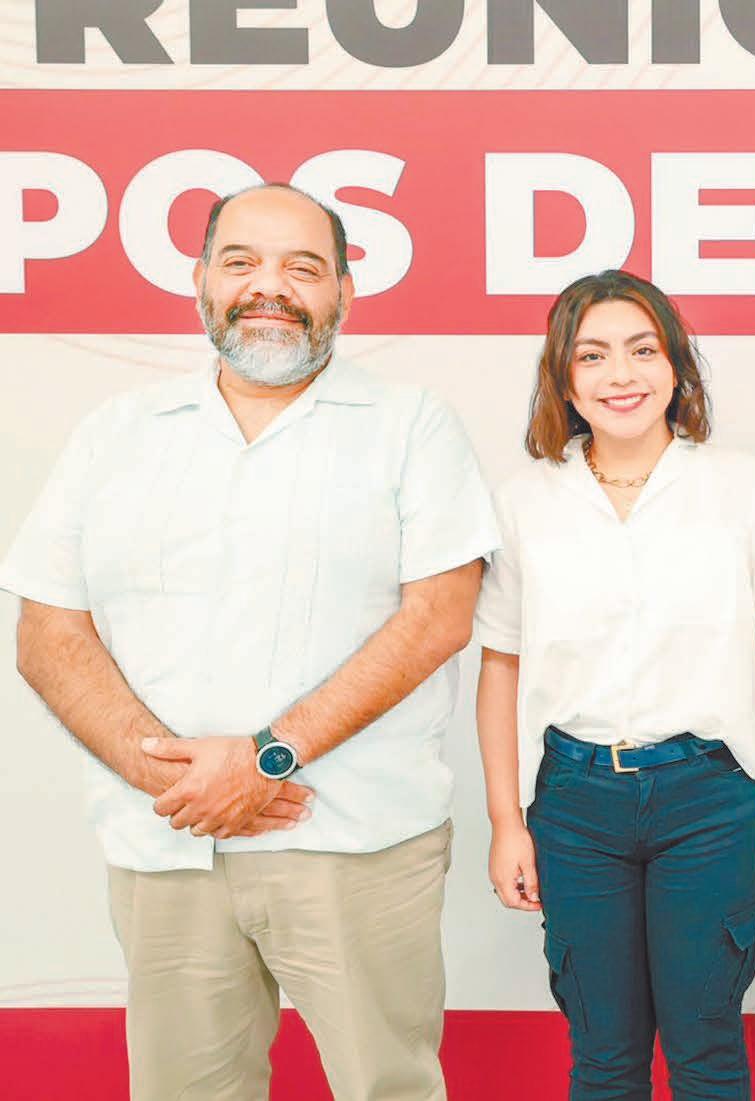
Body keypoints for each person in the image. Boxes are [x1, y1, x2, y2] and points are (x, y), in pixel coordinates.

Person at [1, 183, 498, 1101]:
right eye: (241, 262)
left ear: (345, 290)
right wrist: (174, 776)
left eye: (303, 267)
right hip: (168, 842)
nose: (270, 286)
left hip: (356, 839)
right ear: (200, 279)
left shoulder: (411, 425)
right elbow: (47, 629)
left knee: (389, 1088)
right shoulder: (117, 432)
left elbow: (438, 615)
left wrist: (268, 756)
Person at [473, 269, 755, 1100]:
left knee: (707, 1053)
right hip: (574, 803)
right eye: (592, 356)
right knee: (604, 1059)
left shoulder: (740, 485)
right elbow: (500, 665)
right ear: (563, 379)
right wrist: (507, 821)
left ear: (675, 365)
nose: (620, 375)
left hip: (711, 797)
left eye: (641, 350)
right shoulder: (525, 501)